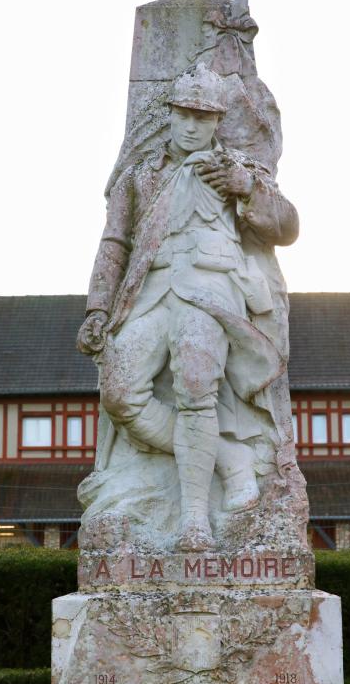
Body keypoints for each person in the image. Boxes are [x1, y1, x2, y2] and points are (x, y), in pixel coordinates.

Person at [77, 63, 299, 552]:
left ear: (218, 121)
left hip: (209, 287)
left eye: (203, 117)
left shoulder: (238, 170)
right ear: (171, 113)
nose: (192, 125)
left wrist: (246, 188)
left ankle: (195, 518)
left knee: (197, 389)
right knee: (120, 394)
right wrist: (97, 308)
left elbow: (287, 226)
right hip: (152, 291)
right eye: (184, 114)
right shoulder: (140, 174)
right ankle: (227, 459)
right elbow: (115, 242)